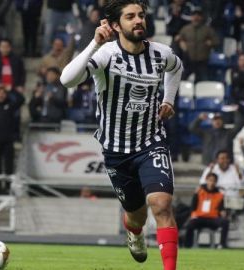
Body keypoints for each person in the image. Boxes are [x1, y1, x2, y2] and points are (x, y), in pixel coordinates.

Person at [60, 1, 183, 269]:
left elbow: (176, 68)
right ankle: (135, 233)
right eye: (130, 17)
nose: (138, 20)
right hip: (116, 151)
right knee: (136, 216)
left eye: (140, 15)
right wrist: (93, 44)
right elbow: (67, 80)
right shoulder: (106, 55)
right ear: (116, 26)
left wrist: (169, 100)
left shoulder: (161, 54)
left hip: (151, 143)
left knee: (161, 205)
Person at [184, 173, 230, 248]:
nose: (211, 183)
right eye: (210, 180)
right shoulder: (199, 191)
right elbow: (193, 206)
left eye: (214, 181)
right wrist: (193, 214)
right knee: (190, 223)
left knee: (225, 222)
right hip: (200, 217)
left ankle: (222, 244)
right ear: (206, 180)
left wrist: (223, 213)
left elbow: (221, 209)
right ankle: (187, 245)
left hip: (213, 218)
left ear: (216, 182)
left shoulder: (219, 194)